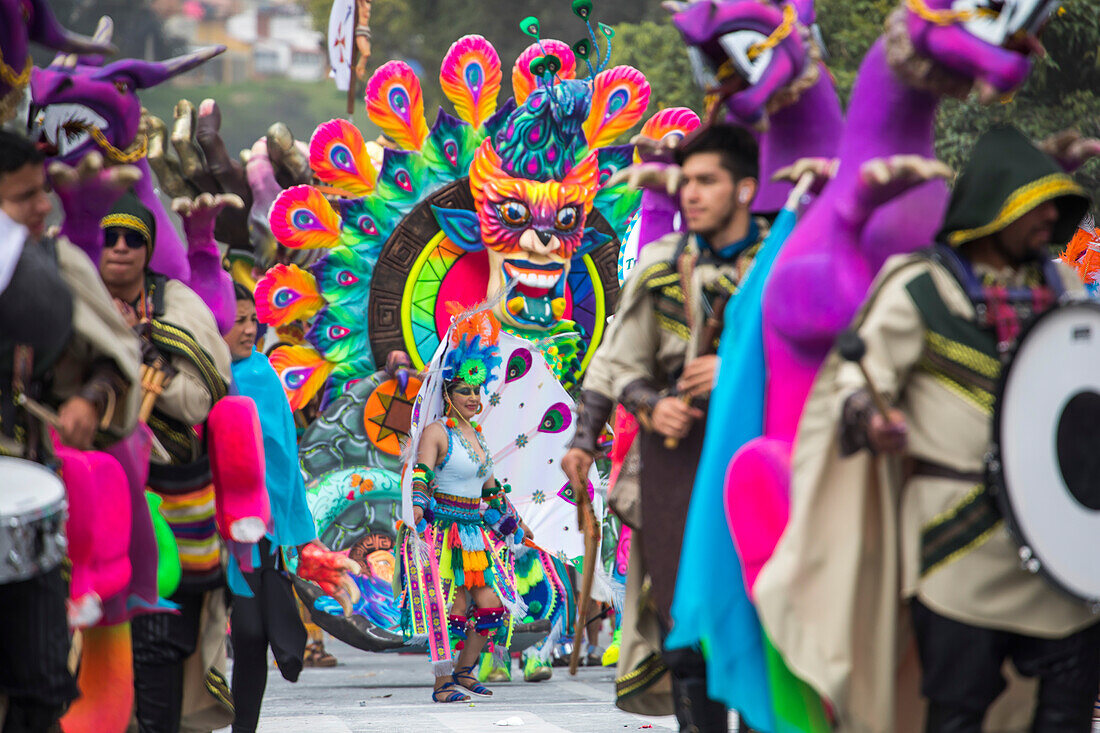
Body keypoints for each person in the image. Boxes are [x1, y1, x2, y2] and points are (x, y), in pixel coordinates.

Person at [754, 126, 1100, 732]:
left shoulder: (1062, 286)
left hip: (1059, 544)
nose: (1050, 217)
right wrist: (873, 420)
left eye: (1056, 203)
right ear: (998, 205)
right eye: (1035, 202)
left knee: (1066, 712)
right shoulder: (920, 286)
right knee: (958, 709)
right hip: (956, 541)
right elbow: (857, 384)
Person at [562, 123, 767, 732]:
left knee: (760, 628)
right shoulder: (660, 263)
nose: (693, 194)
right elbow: (618, 358)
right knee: (686, 629)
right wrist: (639, 408)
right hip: (675, 466)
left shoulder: (778, 264)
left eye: (708, 181)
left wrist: (737, 372)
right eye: (686, 182)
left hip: (758, 462)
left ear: (747, 188)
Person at [0, 131, 141, 733]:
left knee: (40, 680)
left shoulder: (54, 264)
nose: (42, 207)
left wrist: (88, 400)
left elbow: (115, 358)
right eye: (24, 196)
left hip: (26, 494)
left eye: (43, 192)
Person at [97, 191, 236, 733]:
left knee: (162, 626)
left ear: (148, 247)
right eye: (111, 237)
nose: (122, 248)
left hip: (170, 491)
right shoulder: (81, 297)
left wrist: (151, 362)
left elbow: (202, 400)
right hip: (95, 484)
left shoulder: (174, 304)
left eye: (133, 238)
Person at [223, 283, 359, 733]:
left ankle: (245, 727)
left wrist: (300, 534)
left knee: (249, 634)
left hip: (258, 529)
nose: (248, 330)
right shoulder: (200, 371)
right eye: (237, 320)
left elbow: (286, 461)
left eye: (252, 321)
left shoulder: (263, 373)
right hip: (202, 519)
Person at [401, 309, 530, 703]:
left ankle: (463, 670)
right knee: (451, 609)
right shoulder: (436, 433)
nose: (474, 398)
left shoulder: (477, 437)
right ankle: (442, 685)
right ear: (447, 394)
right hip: (443, 536)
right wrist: (418, 512)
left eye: (477, 391)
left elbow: (491, 496)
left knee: (492, 606)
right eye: (465, 391)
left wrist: (515, 528)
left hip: (474, 536)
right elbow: (421, 475)